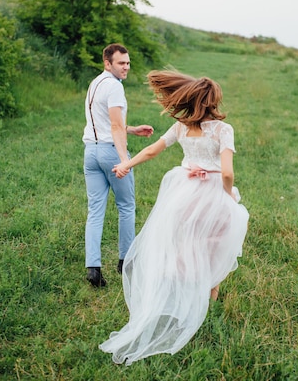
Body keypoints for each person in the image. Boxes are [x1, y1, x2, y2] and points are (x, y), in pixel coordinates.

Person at [99, 70, 249, 365]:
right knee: (214, 245)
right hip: (212, 195)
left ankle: (177, 288)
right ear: (212, 101)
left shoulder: (180, 128)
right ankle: (208, 297)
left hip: (183, 193)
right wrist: (228, 194)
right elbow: (228, 172)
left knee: (185, 241)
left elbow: (153, 150)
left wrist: (127, 164)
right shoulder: (223, 130)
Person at [83, 44, 154, 288]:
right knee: (126, 206)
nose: (126, 67)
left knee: (95, 210)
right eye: (121, 63)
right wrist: (125, 159)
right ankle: (126, 261)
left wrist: (132, 129)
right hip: (110, 152)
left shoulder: (96, 83)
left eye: (128, 63)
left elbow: (107, 122)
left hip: (90, 153)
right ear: (107, 63)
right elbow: (113, 127)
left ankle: (93, 268)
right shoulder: (114, 87)